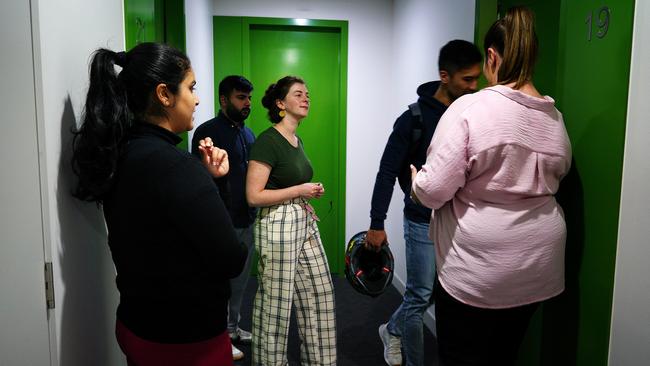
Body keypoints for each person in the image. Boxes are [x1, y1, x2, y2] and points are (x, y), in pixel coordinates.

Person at [410, 7, 571, 366]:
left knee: (461, 356)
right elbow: (554, 176)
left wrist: (415, 182)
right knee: (505, 354)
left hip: (479, 273)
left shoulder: (471, 108)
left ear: (493, 58)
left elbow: (434, 190)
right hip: (538, 268)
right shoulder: (555, 119)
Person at [71, 42, 248, 366]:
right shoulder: (177, 167)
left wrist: (210, 181)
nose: (196, 99)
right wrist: (218, 183)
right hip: (186, 343)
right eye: (191, 88)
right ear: (165, 94)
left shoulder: (120, 153)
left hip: (136, 326)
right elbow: (231, 259)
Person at [367, 40, 482, 366]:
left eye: (478, 79)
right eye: (468, 80)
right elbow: (386, 172)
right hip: (421, 219)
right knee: (419, 295)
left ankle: (392, 329)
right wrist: (377, 223)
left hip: (458, 220)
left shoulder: (471, 114)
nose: (474, 87)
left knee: (431, 293)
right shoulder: (413, 120)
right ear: (445, 76)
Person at [246, 76, 336, 366]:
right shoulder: (268, 140)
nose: (306, 98)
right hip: (278, 224)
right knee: (276, 305)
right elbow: (254, 196)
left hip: (302, 218)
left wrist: (308, 191)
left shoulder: (296, 139)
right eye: (298, 94)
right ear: (281, 104)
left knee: (319, 292)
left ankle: (320, 361)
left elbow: (293, 182)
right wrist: (299, 190)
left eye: (307, 94)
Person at [191, 75, 256, 362]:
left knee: (241, 280)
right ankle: (218, 335)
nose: (247, 103)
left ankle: (232, 327)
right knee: (219, 282)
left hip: (247, 217)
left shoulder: (249, 134)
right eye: (241, 97)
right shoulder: (207, 132)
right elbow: (198, 179)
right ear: (224, 100)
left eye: (249, 98)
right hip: (220, 220)